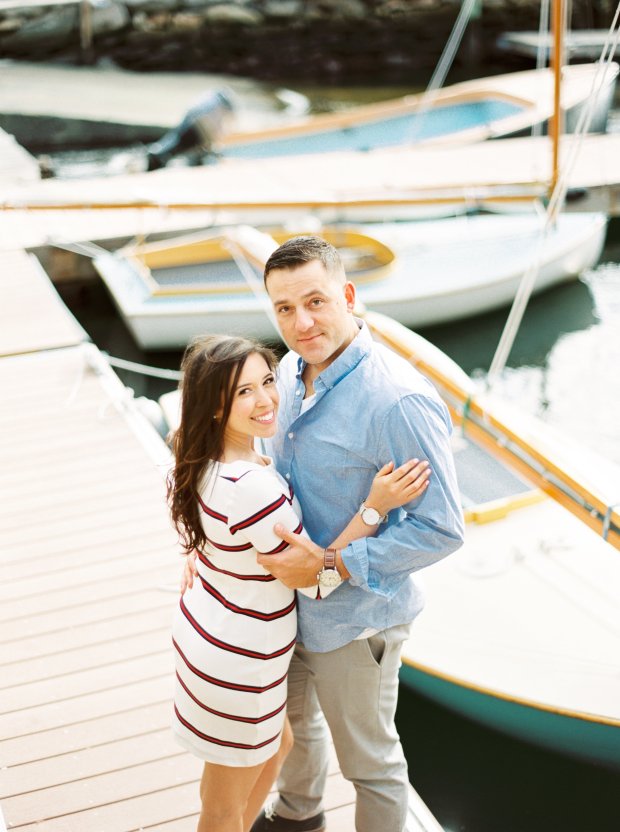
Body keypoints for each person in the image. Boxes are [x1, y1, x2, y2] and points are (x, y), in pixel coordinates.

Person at [168, 333, 432, 832]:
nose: (266, 400)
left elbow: (217, 528)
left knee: (279, 747)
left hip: (212, 632)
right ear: (212, 406)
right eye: (242, 392)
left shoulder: (195, 462)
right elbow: (315, 580)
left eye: (267, 381)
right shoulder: (253, 489)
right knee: (222, 803)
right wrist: (374, 507)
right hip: (240, 659)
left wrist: (211, 559)